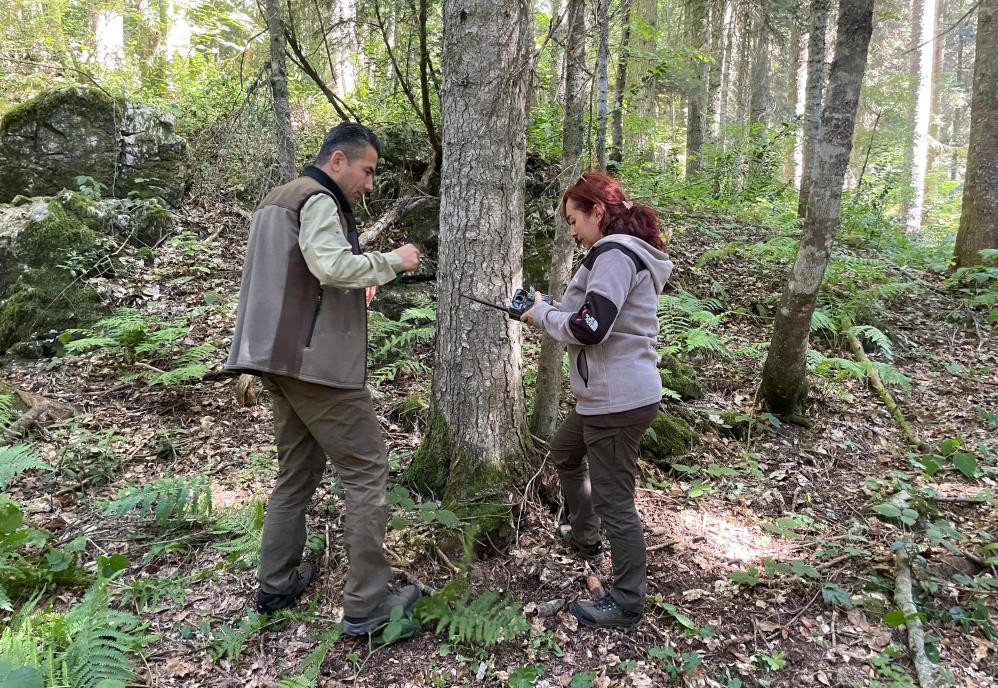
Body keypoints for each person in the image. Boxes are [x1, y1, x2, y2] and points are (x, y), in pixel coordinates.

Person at [225, 122, 423, 635]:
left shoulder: (277, 199)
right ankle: (370, 606)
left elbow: (297, 275)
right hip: (319, 368)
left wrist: (349, 288)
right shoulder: (317, 198)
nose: (370, 184)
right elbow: (330, 264)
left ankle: (277, 582)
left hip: (277, 360)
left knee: (297, 472)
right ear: (338, 161)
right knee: (366, 473)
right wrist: (391, 263)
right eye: (368, 170)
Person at [520, 171, 673, 628]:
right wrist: (547, 307)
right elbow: (589, 314)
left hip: (617, 401)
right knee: (566, 452)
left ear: (598, 213)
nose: (572, 231)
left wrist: (541, 314)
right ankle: (585, 537)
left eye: (574, 220)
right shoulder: (616, 255)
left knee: (616, 501)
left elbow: (591, 326)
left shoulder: (614, 254)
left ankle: (627, 600)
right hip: (604, 397)